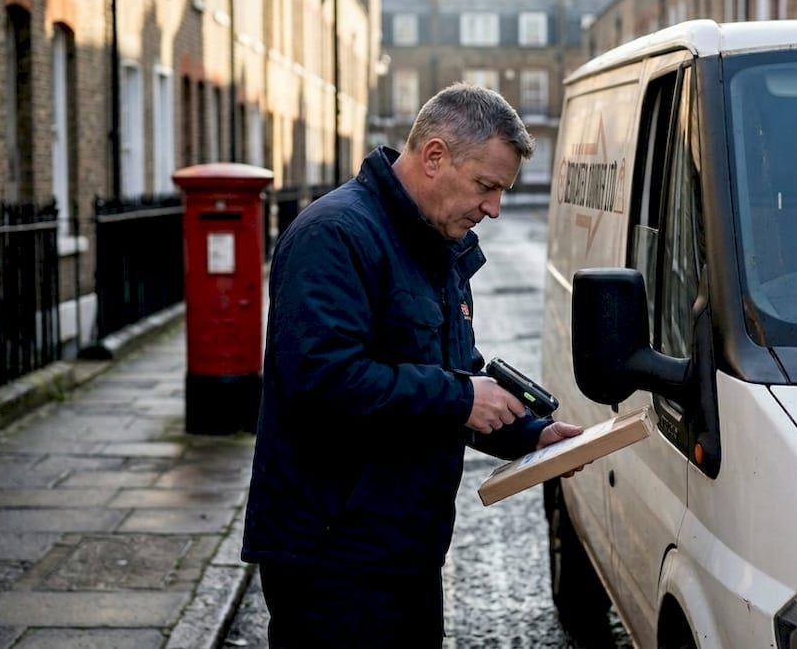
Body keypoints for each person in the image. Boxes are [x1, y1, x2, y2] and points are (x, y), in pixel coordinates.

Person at [241, 82, 583, 648]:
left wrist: (533, 434)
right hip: (334, 558)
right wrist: (462, 397)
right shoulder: (334, 236)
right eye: (487, 186)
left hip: (403, 549)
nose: (494, 208)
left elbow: (458, 373)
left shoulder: (431, 243)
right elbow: (321, 379)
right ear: (434, 157)